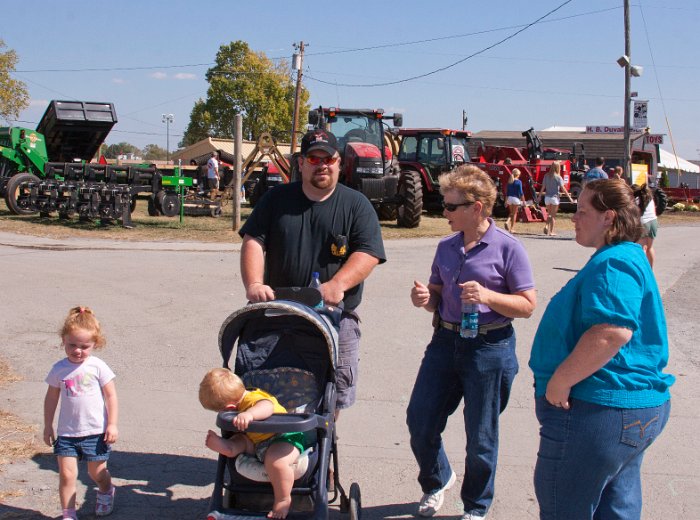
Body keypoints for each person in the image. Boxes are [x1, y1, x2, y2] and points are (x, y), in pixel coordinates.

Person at [529, 179, 674, 519]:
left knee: (565, 508)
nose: (573, 218)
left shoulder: (614, 262)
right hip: (624, 412)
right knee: (616, 507)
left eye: (581, 211)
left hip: (599, 412)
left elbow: (612, 332)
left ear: (608, 218)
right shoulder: (628, 255)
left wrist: (560, 381)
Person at [407, 165, 536, 520]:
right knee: (420, 420)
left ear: (476, 207)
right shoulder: (446, 247)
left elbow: (527, 305)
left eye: (450, 207)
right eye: (444, 205)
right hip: (445, 341)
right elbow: (436, 296)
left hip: (490, 348)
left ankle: (476, 506)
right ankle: (437, 480)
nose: (443, 212)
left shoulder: (509, 248)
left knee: (481, 436)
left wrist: (488, 296)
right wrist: (424, 298)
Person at [239, 129, 386, 416]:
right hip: (279, 311)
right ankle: (269, 441)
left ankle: (321, 442)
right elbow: (253, 241)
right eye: (313, 158)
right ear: (301, 163)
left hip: (335, 313)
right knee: (268, 382)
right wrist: (254, 283)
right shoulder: (275, 200)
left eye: (328, 159)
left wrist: (338, 284)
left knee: (334, 390)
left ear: (339, 162)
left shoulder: (356, 205)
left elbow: (368, 253)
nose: (322, 165)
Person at [43, 307, 118, 519]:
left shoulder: (98, 367)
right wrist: (48, 425)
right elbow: (51, 399)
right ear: (63, 340)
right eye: (72, 345)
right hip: (67, 433)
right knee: (67, 475)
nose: (77, 350)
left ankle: (106, 491)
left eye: (84, 346)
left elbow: (111, 396)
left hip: (95, 432)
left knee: (97, 473)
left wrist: (112, 424)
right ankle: (68, 513)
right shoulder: (59, 369)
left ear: (96, 344)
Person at [199, 368, 305, 519]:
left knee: (276, 461)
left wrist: (250, 414)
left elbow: (267, 406)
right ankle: (227, 447)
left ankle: (283, 499)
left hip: (283, 437)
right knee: (239, 440)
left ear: (229, 408)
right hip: (258, 441)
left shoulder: (252, 398)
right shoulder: (239, 406)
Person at [537, 161, 575, 236]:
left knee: (549, 214)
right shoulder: (558, 177)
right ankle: (551, 231)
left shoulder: (546, 175)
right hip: (555, 198)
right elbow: (563, 189)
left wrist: (539, 196)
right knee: (553, 215)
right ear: (558, 168)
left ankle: (546, 226)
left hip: (547, 198)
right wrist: (570, 198)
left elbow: (543, 187)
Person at [632, 183, 658, 268]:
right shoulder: (648, 197)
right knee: (649, 248)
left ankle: (642, 272)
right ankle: (650, 271)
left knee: (641, 249)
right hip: (653, 221)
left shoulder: (636, 199)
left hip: (643, 223)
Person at [504, 168, 524, 233]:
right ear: (517, 175)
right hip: (516, 199)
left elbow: (507, 192)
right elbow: (521, 192)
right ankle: (512, 228)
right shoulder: (519, 182)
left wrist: (506, 201)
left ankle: (507, 221)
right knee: (514, 214)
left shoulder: (510, 181)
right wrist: (523, 201)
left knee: (511, 213)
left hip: (509, 198)